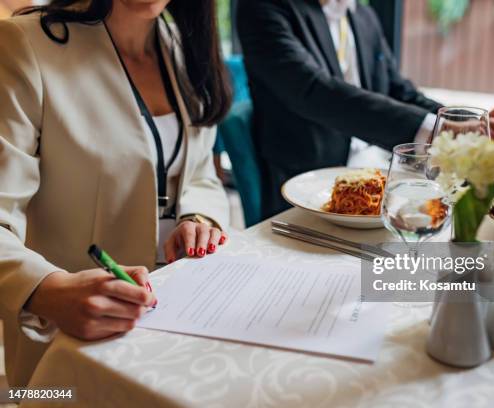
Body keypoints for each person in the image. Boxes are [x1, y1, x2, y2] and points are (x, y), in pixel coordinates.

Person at [0, 0, 231, 386]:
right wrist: (46, 289)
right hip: (71, 346)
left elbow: (199, 172)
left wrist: (199, 217)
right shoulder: (25, 44)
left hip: (180, 321)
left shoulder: (180, 45)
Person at [237, 0, 445, 218]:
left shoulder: (363, 15)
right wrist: (432, 130)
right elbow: (314, 91)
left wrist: (453, 122)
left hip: (376, 171)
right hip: (306, 183)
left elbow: (398, 90)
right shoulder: (263, 8)